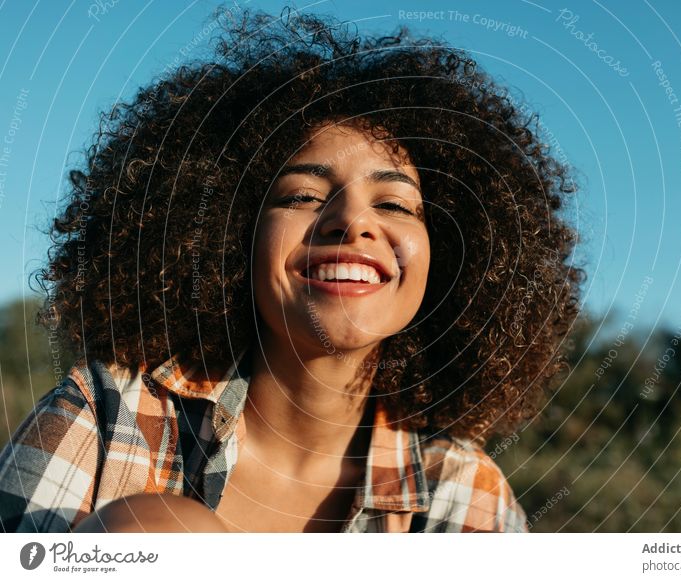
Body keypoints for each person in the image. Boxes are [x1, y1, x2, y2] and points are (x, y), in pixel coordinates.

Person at [0, 7, 583, 533]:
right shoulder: (106, 417)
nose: (351, 222)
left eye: (394, 204)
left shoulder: (462, 491)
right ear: (227, 238)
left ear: (449, 255)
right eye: (303, 196)